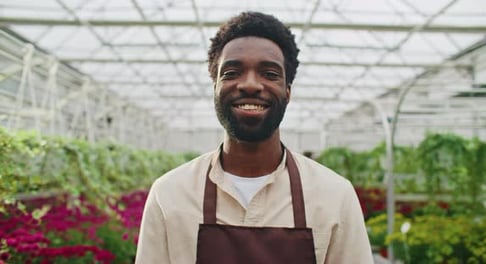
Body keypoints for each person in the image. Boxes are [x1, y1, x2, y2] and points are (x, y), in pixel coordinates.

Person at [135, 11, 373, 264]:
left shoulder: (334, 196)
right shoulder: (170, 194)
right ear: (214, 87)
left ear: (287, 92)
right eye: (232, 72)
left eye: (269, 74)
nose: (250, 85)